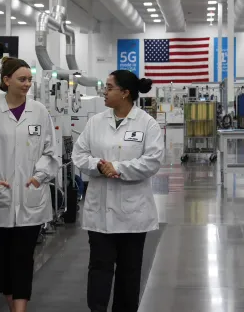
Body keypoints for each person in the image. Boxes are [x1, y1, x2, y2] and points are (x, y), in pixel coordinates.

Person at [0, 57, 60, 312]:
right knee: (3, 263)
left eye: (30, 79)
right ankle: (13, 307)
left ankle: (20, 309)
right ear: (6, 80)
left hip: (31, 197)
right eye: (22, 79)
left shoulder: (39, 112)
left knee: (23, 259)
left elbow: (50, 152)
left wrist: (40, 175)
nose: (27, 84)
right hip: (2, 197)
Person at [72, 70, 164, 312]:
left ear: (125, 93)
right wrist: (99, 167)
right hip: (100, 210)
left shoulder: (147, 124)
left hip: (133, 213)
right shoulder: (95, 122)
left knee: (129, 271)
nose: (104, 91)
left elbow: (153, 161)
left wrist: (119, 168)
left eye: (109, 87)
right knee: (99, 268)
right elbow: (79, 154)